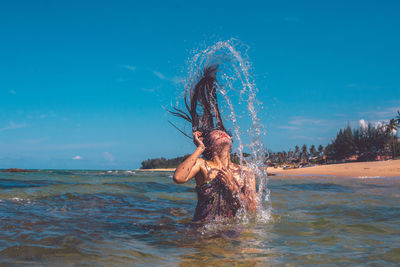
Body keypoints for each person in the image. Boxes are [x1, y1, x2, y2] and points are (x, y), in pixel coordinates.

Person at [170, 64, 257, 223]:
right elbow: (178, 177)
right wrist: (199, 148)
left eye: (224, 133)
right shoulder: (202, 165)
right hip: (202, 231)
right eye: (216, 133)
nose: (222, 132)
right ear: (209, 145)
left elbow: (253, 210)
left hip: (232, 231)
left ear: (231, 143)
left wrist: (232, 185)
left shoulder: (246, 172)